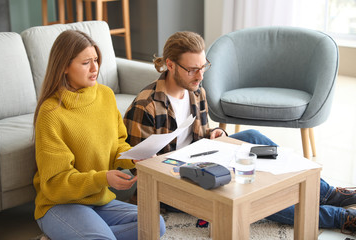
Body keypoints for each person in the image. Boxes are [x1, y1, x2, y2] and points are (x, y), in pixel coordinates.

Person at [123, 31, 356, 233]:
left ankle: (327, 193)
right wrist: (149, 162)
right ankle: (339, 218)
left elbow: (199, 136)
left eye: (203, 67)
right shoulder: (146, 105)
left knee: (253, 138)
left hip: (199, 158)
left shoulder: (196, 91)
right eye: (193, 70)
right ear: (171, 64)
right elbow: (140, 169)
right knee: (250, 191)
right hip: (173, 181)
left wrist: (214, 135)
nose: (201, 76)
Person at [33, 30, 166, 240]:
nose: (95, 68)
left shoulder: (105, 95)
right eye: (86, 62)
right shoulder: (51, 113)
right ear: (65, 67)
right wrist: (102, 178)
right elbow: (55, 183)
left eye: (96, 60)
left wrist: (133, 156)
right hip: (60, 205)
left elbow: (118, 145)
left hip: (98, 200)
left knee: (155, 224)